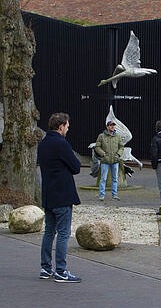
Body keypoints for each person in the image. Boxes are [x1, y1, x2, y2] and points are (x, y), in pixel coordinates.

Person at [38, 112, 81, 282]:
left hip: (48, 194)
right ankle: (61, 271)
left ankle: (45, 268)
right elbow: (76, 166)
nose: (68, 129)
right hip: (62, 194)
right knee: (63, 233)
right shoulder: (61, 144)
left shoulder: (43, 143)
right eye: (67, 126)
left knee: (49, 232)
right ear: (61, 126)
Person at [95, 120, 125, 201]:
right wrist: (103, 154)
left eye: (114, 125)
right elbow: (97, 147)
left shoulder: (118, 136)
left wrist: (118, 154)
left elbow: (121, 147)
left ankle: (114, 194)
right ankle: (101, 195)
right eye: (111, 125)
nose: (113, 127)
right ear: (107, 127)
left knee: (115, 179)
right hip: (105, 161)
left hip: (115, 160)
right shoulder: (101, 136)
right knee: (103, 179)